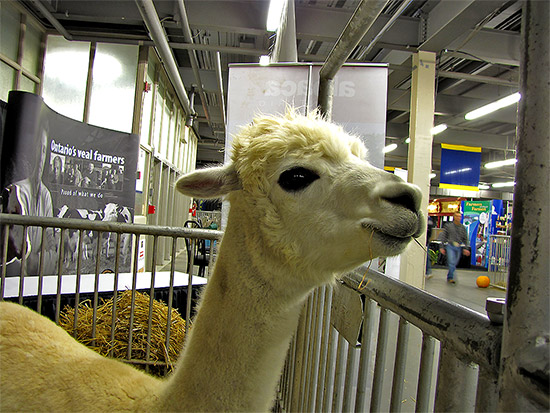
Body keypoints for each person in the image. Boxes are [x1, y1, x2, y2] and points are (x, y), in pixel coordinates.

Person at [4, 123, 58, 275]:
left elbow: (49, 238)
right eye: (38, 149)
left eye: (44, 150)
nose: (41, 156)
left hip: (37, 270)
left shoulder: (46, 194)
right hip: (17, 271)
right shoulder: (16, 190)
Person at [439, 211, 470, 283]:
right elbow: (443, 236)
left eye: (459, 216)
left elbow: (465, 239)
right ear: (454, 217)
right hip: (450, 246)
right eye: (457, 216)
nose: (458, 218)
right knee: (451, 262)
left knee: (454, 263)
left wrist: (466, 248)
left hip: (458, 247)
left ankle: (450, 274)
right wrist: (442, 246)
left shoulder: (462, 228)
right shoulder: (448, 226)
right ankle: (450, 277)